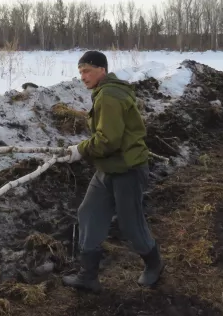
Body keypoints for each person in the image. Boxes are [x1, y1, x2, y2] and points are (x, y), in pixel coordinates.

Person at [62, 50, 164, 293]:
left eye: (87, 71)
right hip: (108, 168)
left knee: (130, 224)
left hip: (128, 169)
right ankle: (88, 276)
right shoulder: (104, 92)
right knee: (89, 211)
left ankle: (154, 264)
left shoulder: (109, 95)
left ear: (102, 70)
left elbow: (109, 140)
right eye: (80, 72)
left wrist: (80, 150)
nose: (83, 77)